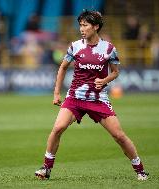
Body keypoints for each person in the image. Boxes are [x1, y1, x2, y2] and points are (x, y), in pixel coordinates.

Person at [35, 10, 148, 181]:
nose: (82, 28)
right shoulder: (75, 46)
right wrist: (57, 92)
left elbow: (116, 72)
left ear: (96, 27)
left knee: (118, 135)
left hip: (98, 99)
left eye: (85, 25)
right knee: (58, 128)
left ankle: (140, 169)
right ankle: (46, 168)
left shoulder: (109, 48)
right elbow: (63, 67)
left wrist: (105, 80)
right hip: (75, 98)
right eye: (80, 25)